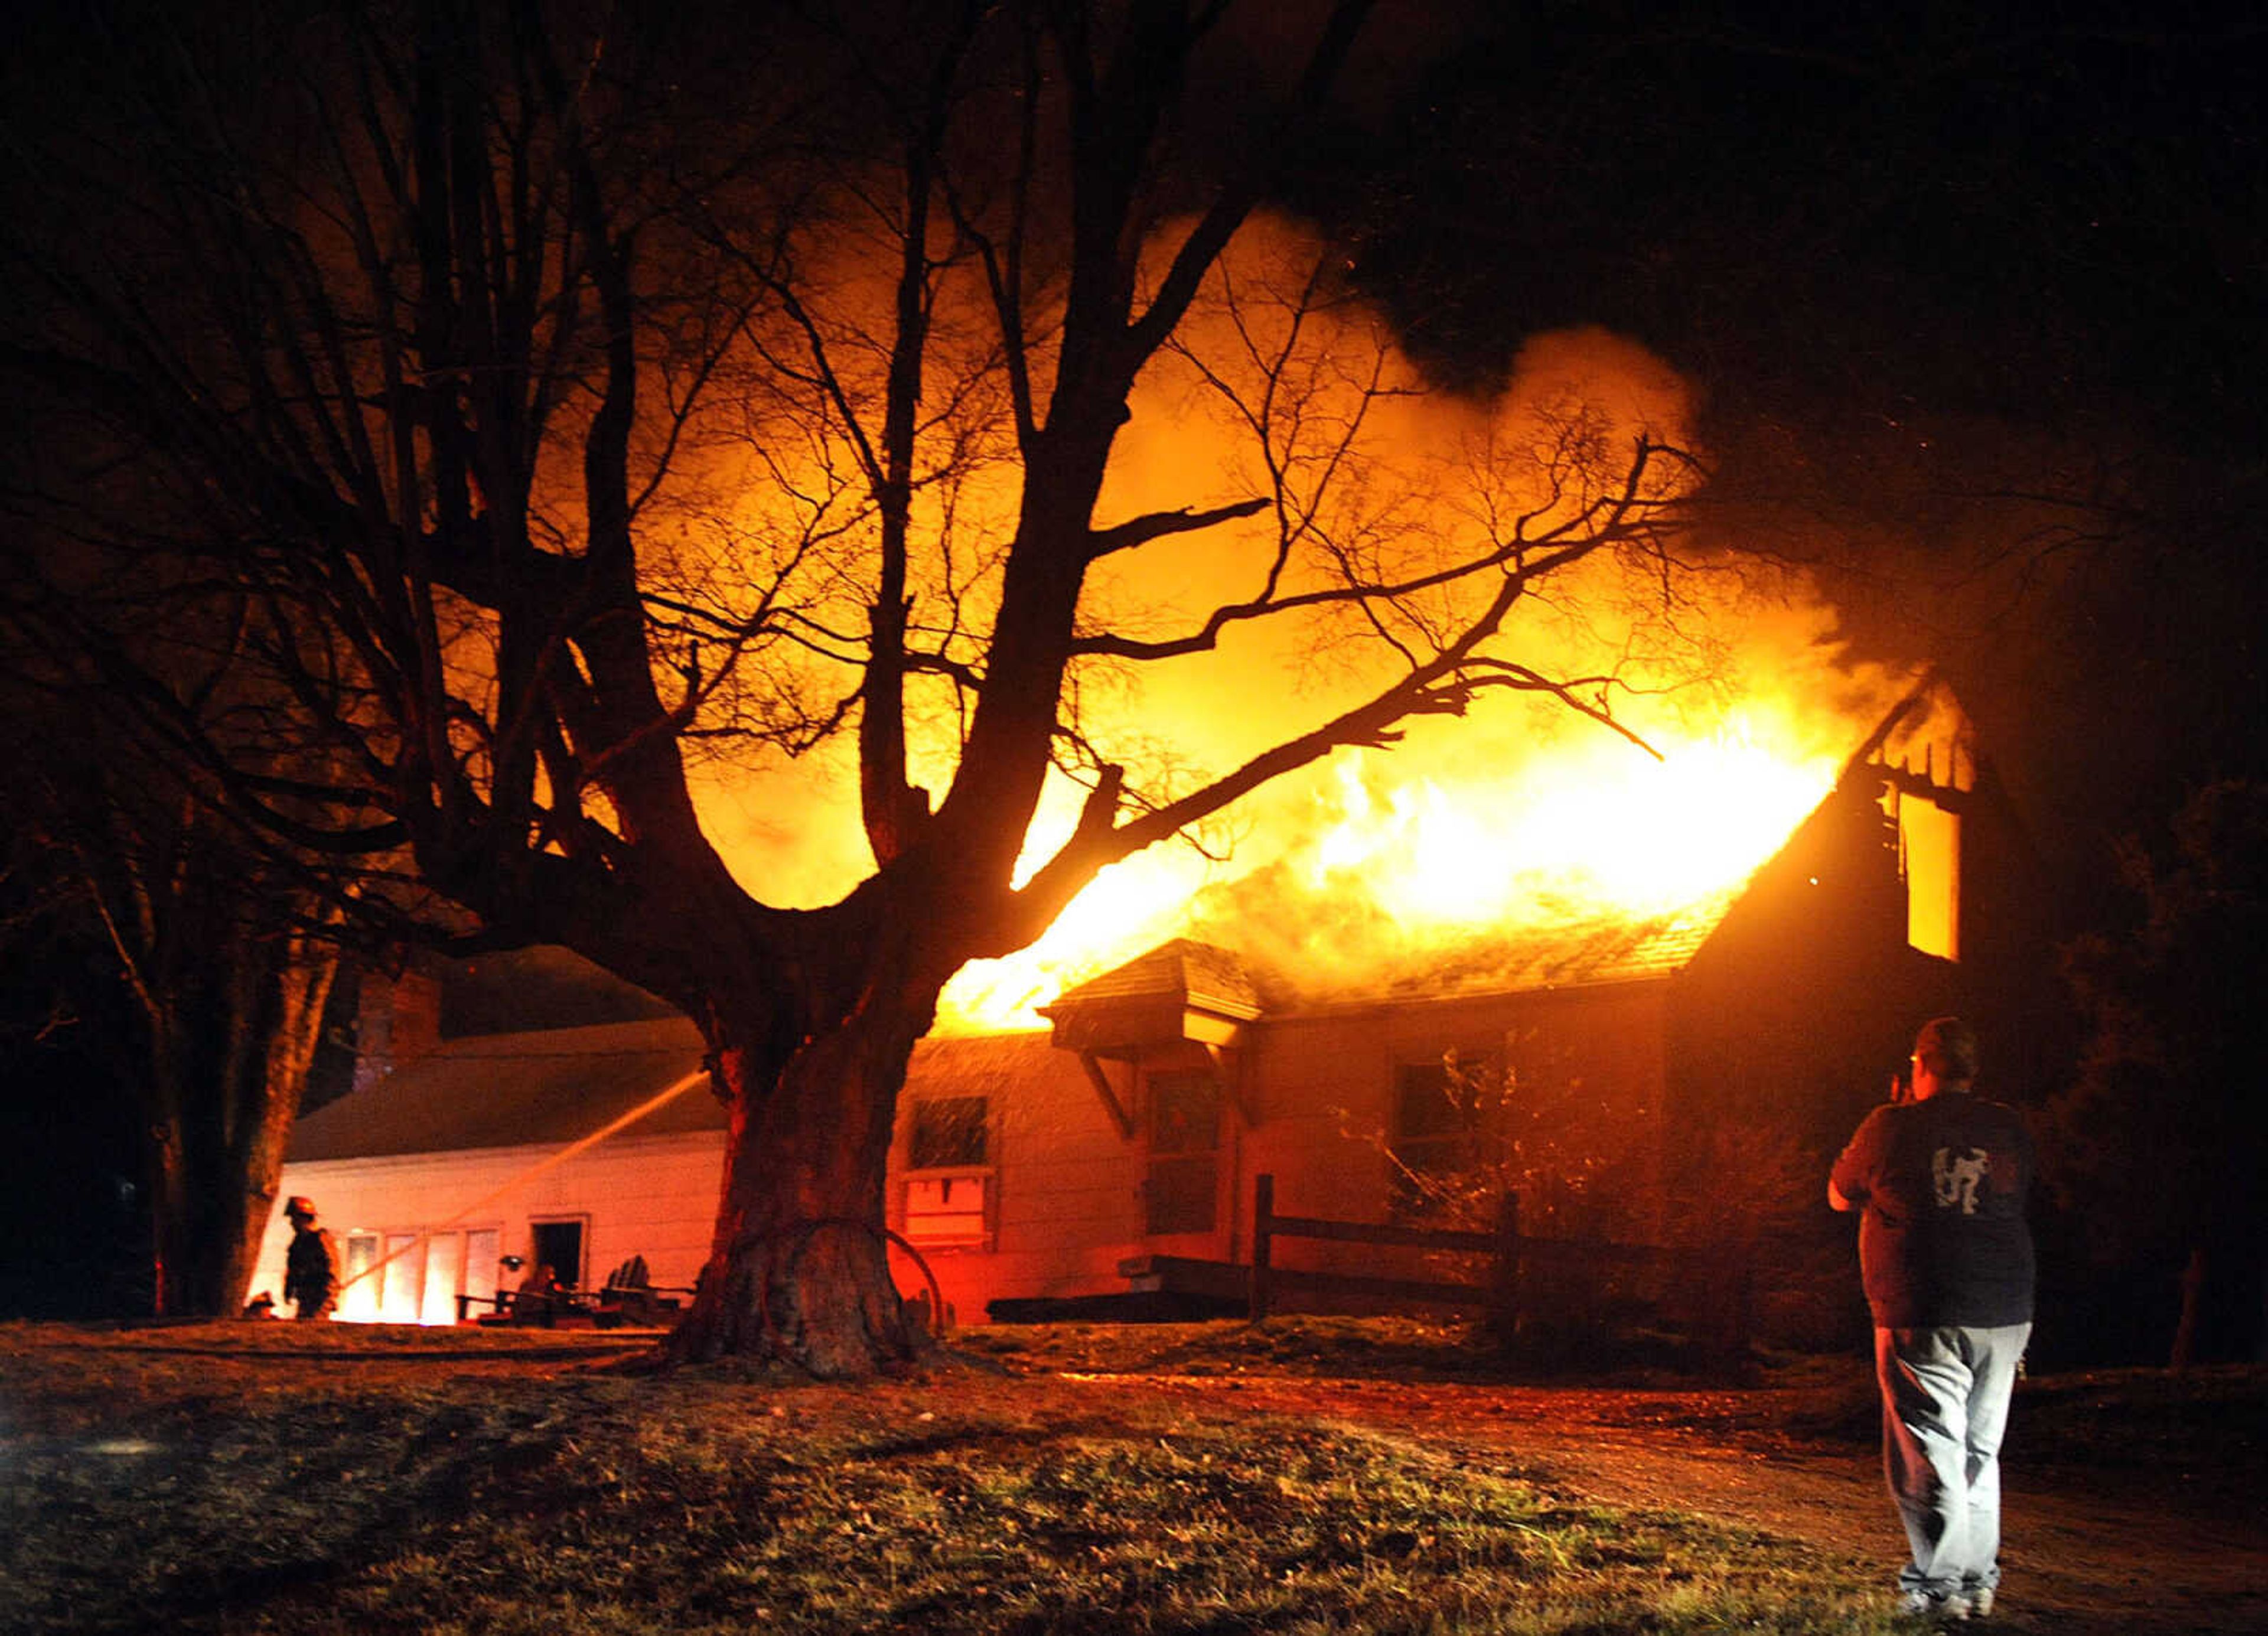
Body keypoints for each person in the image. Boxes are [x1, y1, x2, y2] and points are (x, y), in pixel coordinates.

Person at [1830, 1016, 2035, 1623]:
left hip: (1924, 1304)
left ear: (1919, 1065)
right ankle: (1975, 1582)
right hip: (2005, 1307)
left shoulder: (1890, 1125)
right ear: (1973, 1071)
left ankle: (1939, 1589)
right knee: (1979, 1447)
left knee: (1929, 1448)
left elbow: (1840, 1193)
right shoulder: (2011, 1127)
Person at [281, 1196, 338, 1321]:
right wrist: (289, 1290)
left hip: (319, 1299)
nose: (292, 1223)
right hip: (305, 1298)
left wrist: (328, 1298)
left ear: (304, 1218)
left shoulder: (321, 1239)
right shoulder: (298, 1242)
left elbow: (332, 1271)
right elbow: (293, 1268)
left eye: (294, 1219)